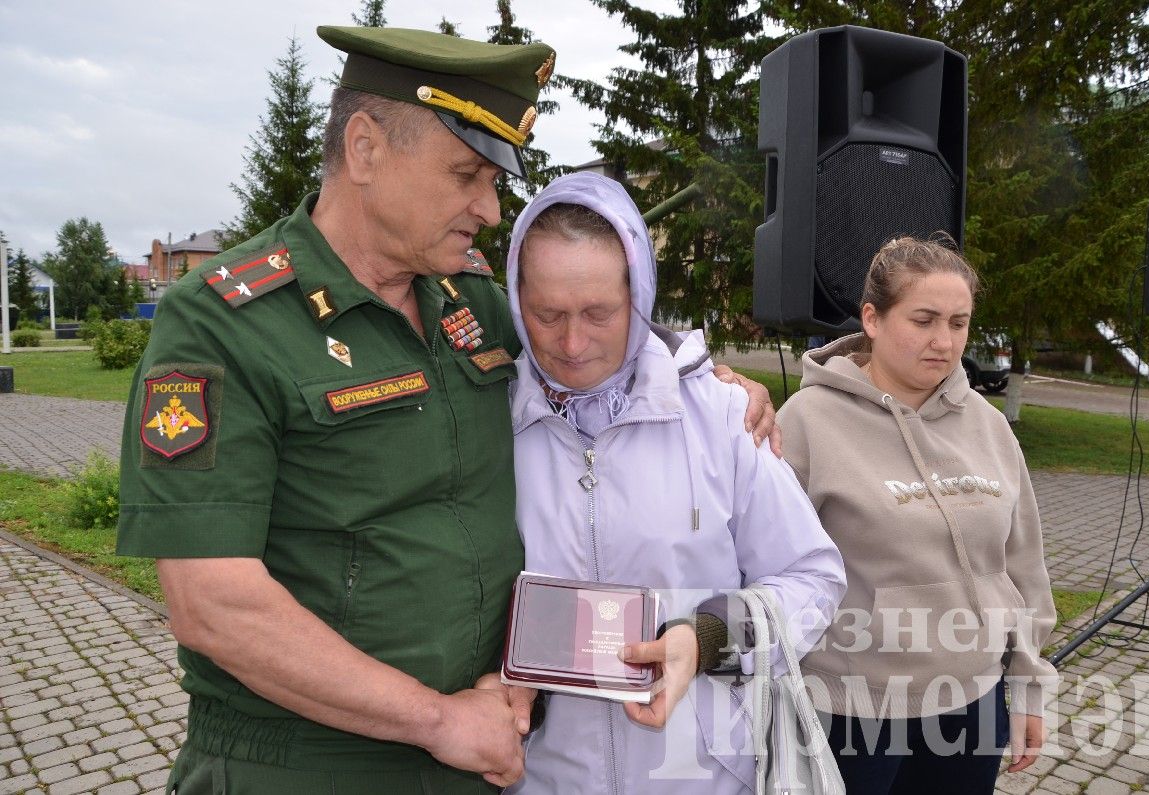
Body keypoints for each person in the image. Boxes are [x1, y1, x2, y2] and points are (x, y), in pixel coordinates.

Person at [116, 27, 778, 794]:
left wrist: (712, 382)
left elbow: (601, 350)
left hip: (483, 753)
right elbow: (213, 604)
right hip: (306, 763)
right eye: (466, 173)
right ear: (364, 149)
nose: (491, 209)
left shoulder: (475, 305)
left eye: (494, 180)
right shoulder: (225, 321)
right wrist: (435, 718)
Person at [500, 171, 847, 793]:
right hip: (544, 778)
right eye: (546, 314)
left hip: (702, 775)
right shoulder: (487, 422)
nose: (573, 342)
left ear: (640, 297)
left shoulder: (718, 414)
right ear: (514, 299)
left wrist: (708, 637)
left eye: (599, 313)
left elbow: (813, 577)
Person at [776, 237, 1058, 794]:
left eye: (959, 323)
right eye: (924, 320)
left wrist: (1028, 684)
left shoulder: (988, 424)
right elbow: (772, 570)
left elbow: (1023, 566)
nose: (944, 341)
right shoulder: (807, 422)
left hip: (974, 701)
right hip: (853, 710)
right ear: (872, 319)